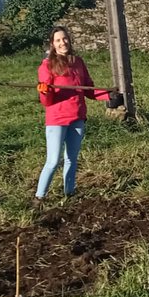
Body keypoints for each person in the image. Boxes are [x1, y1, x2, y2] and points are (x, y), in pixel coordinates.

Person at [33, 25, 122, 208]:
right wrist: (44, 92)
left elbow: (88, 89)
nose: (62, 42)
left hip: (77, 117)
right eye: (58, 40)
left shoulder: (78, 62)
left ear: (69, 40)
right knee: (53, 160)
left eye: (64, 38)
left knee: (71, 158)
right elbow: (47, 101)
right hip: (57, 119)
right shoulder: (47, 65)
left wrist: (108, 95)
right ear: (53, 44)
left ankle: (70, 192)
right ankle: (39, 198)